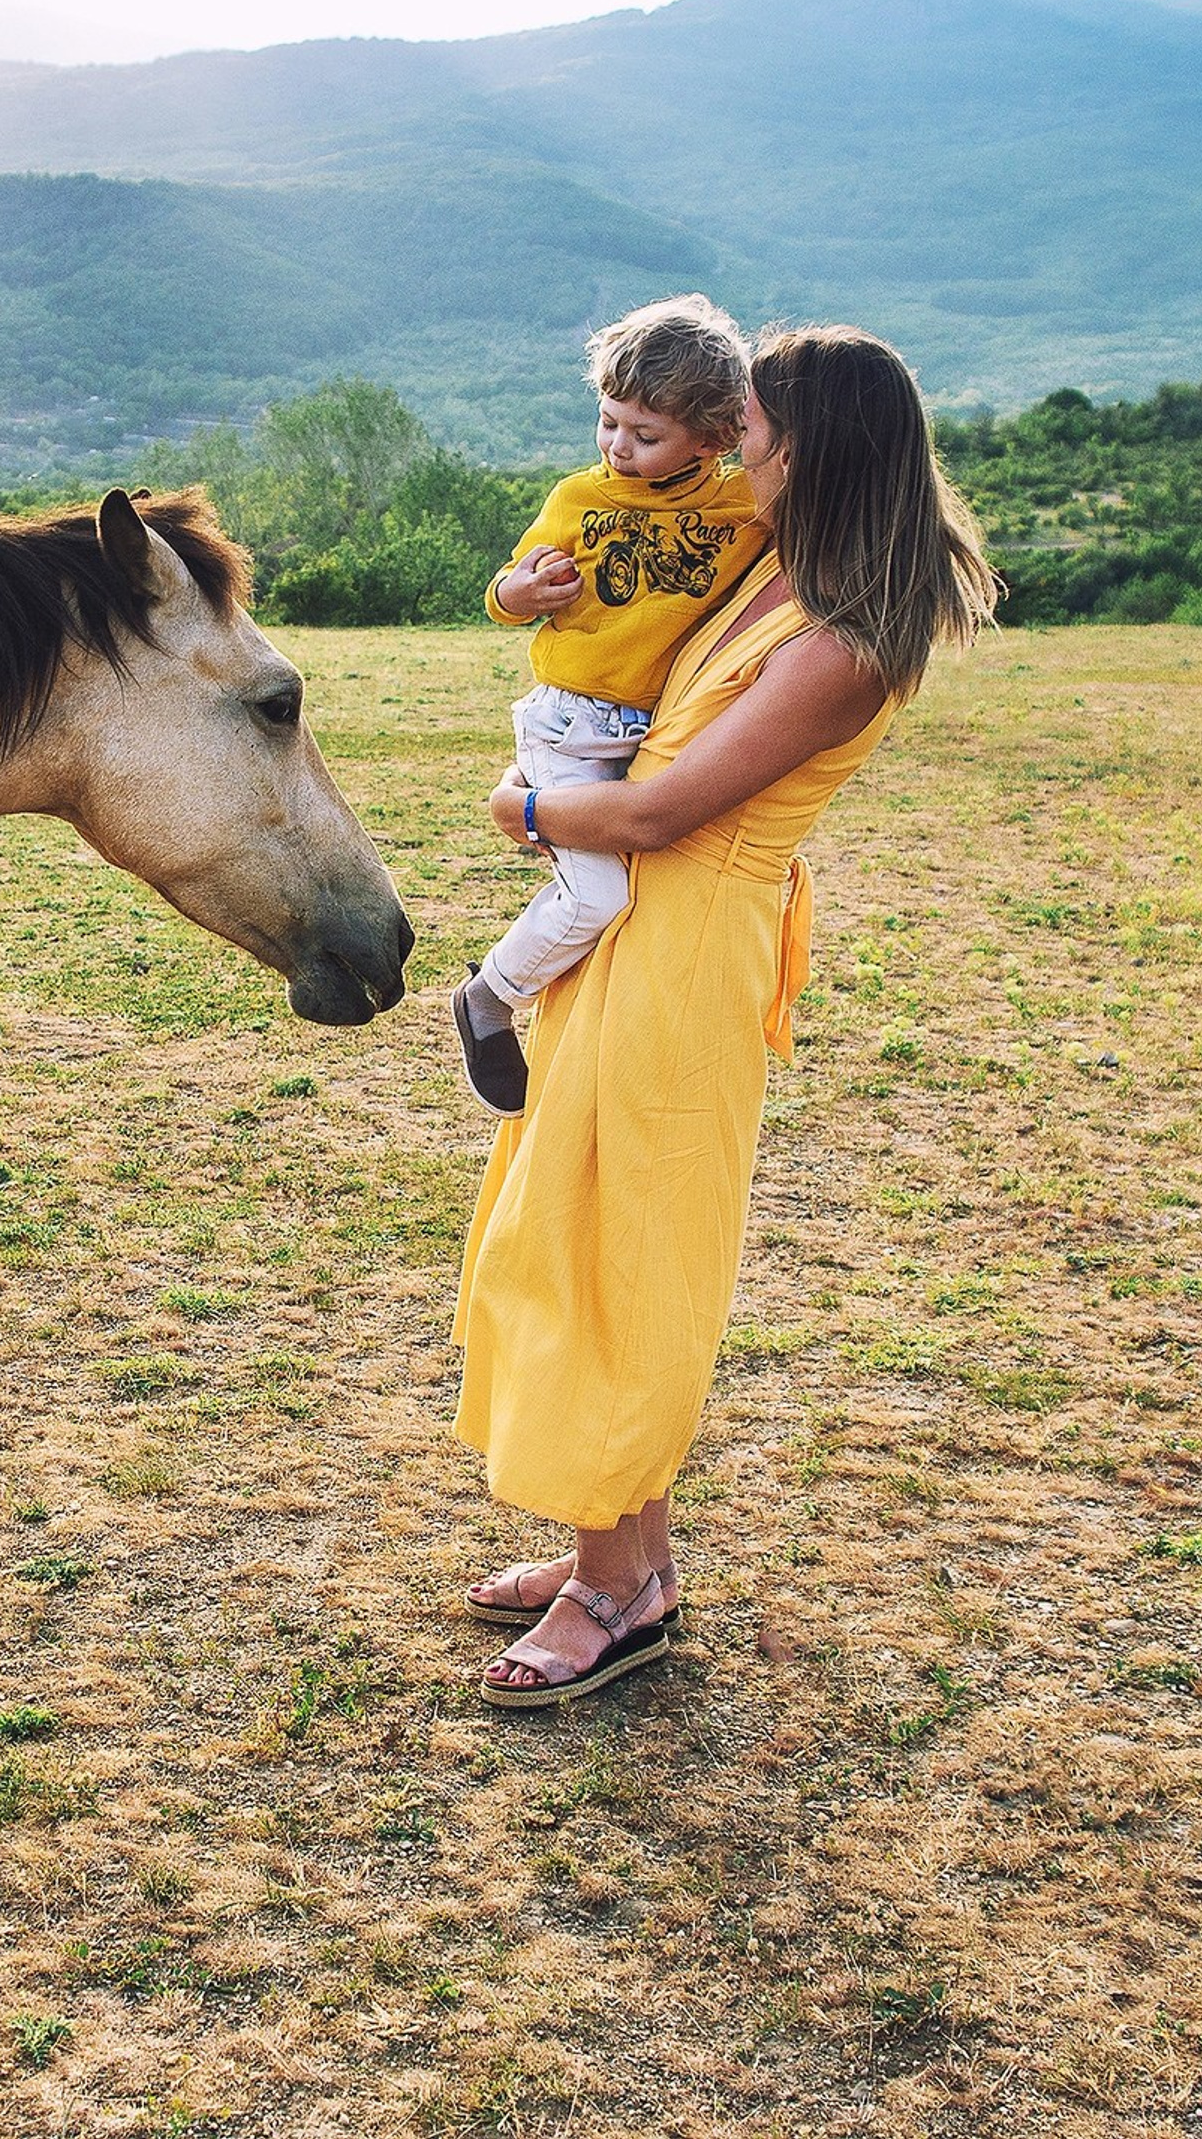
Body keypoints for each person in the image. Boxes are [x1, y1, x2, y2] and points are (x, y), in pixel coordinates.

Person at [454, 324, 999, 1708]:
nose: (731, 443)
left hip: (689, 949)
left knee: (618, 1254)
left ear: (805, 452)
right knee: (565, 1230)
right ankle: (624, 1552)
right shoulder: (776, 571)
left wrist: (525, 809)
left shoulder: (844, 644)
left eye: (748, 426)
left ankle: (616, 1592)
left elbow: (659, 810)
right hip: (640, 935)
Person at [452, 296, 767, 1116]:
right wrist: (520, 591)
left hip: (652, 730)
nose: (618, 447)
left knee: (632, 894)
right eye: (608, 422)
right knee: (600, 897)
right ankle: (489, 998)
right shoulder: (579, 497)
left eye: (645, 434)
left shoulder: (741, 508)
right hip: (570, 718)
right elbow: (505, 591)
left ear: (714, 436)